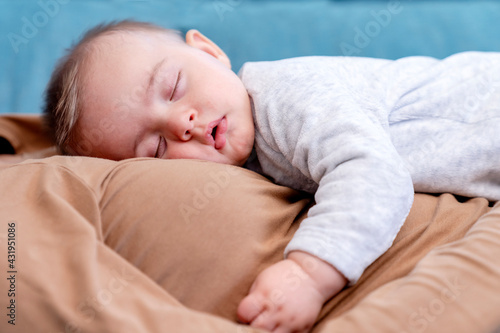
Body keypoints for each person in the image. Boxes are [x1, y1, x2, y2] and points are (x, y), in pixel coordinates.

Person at [43, 20, 500, 333]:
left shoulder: (286, 96)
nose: (182, 122)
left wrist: (308, 272)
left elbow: (375, 172)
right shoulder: (249, 163)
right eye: (157, 147)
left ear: (209, 51)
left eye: (174, 88)